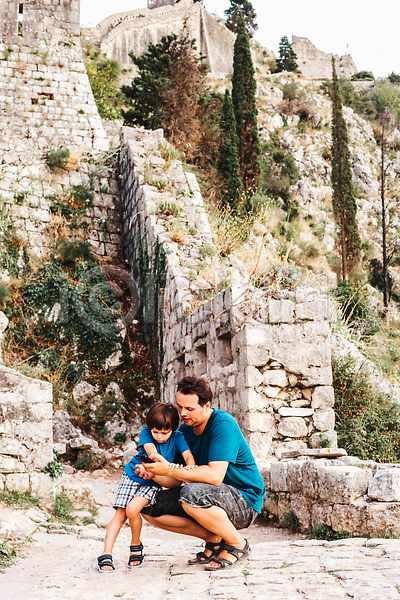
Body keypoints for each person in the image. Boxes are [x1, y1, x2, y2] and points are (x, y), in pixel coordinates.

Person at [138, 377, 266, 571]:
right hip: (210, 495)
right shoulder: (184, 431)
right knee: (148, 504)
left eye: (190, 409)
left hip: (244, 500)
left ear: (207, 406)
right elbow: (176, 480)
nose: (183, 413)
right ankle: (214, 539)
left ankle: (237, 543)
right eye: (180, 407)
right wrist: (154, 473)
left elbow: (215, 476)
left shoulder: (223, 425)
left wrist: (171, 468)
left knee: (191, 494)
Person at [97, 402, 195, 572]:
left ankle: (135, 544)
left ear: (173, 429)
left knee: (133, 510)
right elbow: (152, 455)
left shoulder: (178, 437)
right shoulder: (146, 432)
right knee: (121, 513)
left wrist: (190, 467)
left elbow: (188, 456)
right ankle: (106, 553)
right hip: (133, 475)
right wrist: (171, 467)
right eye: (155, 432)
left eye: (165, 433)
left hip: (154, 481)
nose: (159, 437)